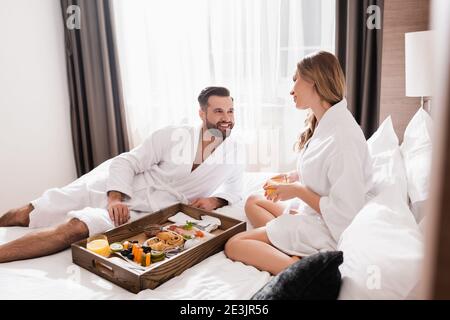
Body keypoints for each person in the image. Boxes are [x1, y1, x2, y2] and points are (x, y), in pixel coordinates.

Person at [0, 86, 244, 263]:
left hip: (143, 212)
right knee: (30, 211)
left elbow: (234, 187)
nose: (227, 119)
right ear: (202, 114)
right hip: (114, 188)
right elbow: (127, 162)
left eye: (231, 111)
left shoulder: (234, 151)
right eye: (219, 112)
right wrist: (115, 198)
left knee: (75, 229)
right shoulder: (171, 135)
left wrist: (215, 200)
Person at [225, 51, 373, 275]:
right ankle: (285, 246)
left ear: (313, 80)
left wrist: (297, 190)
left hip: (326, 228)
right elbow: (324, 171)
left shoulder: (343, 138)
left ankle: (300, 270)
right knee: (253, 201)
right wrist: (292, 177)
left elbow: (346, 215)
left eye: (295, 79)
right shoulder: (328, 122)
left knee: (234, 244)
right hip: (311, 213)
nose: (291, 88)